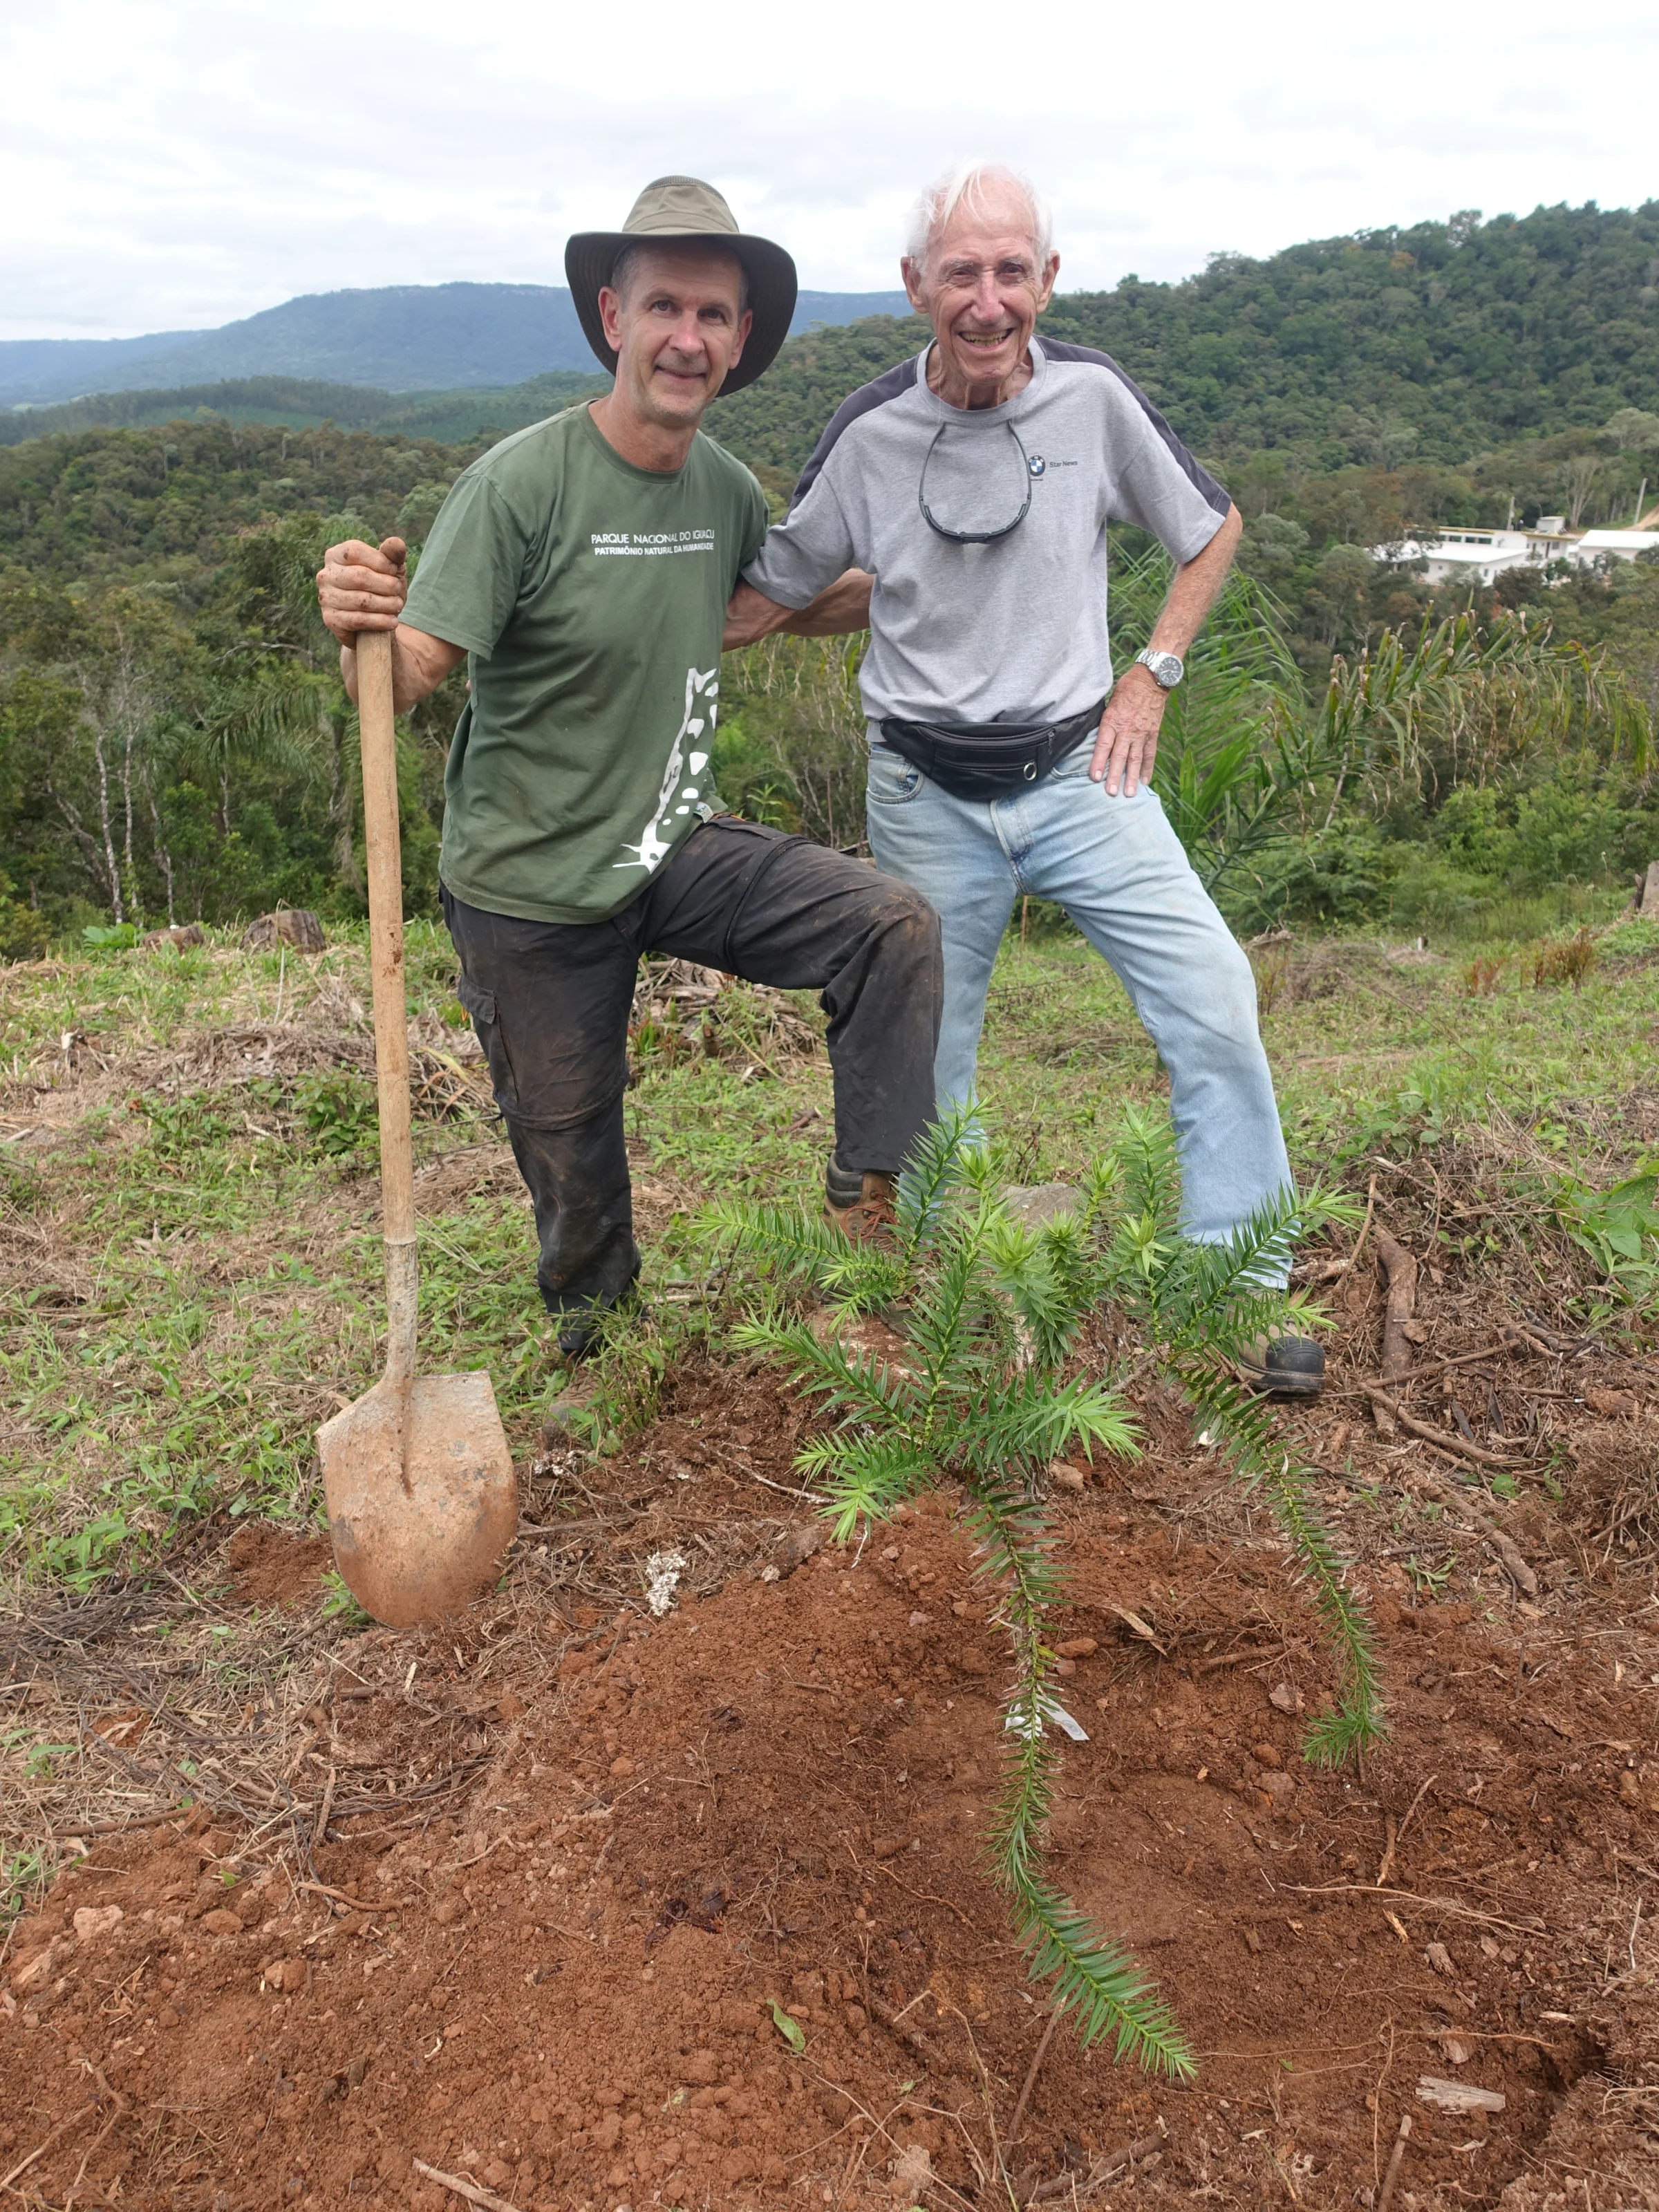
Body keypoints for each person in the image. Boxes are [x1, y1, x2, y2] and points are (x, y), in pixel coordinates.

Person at [317, 176, 942, 1357]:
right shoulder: (520, 485)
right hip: (531, 888)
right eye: (664, 307)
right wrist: (358, 624)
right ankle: (597, 1344)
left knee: (889, 927)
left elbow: (771, 602)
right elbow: (408, 675)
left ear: (740, 339)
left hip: (672, 840)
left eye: (713, 315)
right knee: (577, 1172)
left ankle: (869, 1217)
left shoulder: (723, 488)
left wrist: (919, 582)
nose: (687, 338)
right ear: (614, 317)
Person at [726, 162, 1321, 1396]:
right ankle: (948, 1288)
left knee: (1212, 994)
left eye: (1010, 271)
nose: (986, 301)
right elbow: (768, 593)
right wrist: (545, 603)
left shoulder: (1092, 401)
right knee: (929, 1057)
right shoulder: (870, 433)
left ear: (1047, 280)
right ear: (915, 287)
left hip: (1080, 767)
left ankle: (1237, 1279)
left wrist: (1152, 673)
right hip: (924, 787)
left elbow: (1210, 528)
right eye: (961, 273)